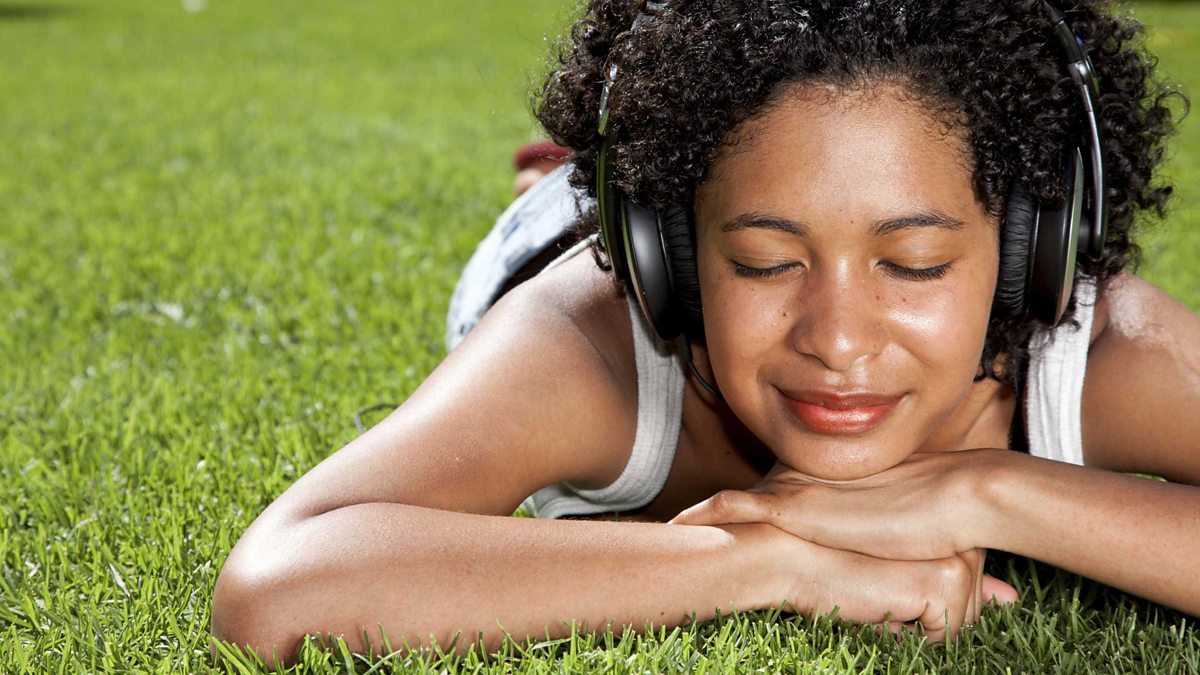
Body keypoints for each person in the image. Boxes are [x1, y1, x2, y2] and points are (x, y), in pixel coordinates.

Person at [210, 0, 1199, 666]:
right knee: (566, 193)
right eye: (767, 262)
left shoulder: (1098, 344)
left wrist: (994, 490)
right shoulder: (591, 341)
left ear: (1033, 246)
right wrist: (760, 562)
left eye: (914, 264)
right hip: (560, 237)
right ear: (666, 255)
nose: (840, 341)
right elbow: (280, 591)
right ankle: (549, 181)